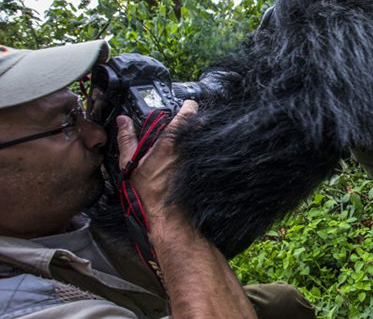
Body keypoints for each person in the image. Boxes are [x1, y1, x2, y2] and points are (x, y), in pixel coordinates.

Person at [0, 40, 315, 318]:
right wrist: (165, 209)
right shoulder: (19, 303)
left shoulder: (55, 210)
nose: (96, 134)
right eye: (68, 124)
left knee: (285, 303)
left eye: (81, 110)